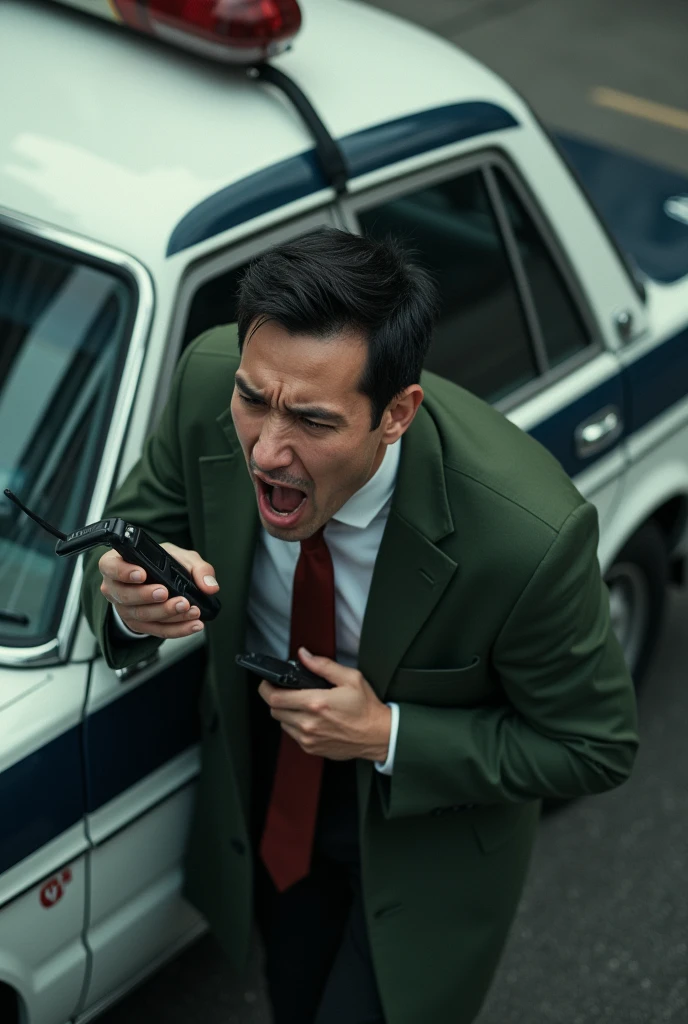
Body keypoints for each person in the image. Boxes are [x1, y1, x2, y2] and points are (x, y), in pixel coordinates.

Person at [81, 229, 638, 1024]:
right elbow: (123, 536)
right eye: (254, 400)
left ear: (398, 414)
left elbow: (597, 745)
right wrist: (125, 600)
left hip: (426, 839)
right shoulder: (212, 375)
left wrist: (387, 735)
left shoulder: (531, 540)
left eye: (311, 420)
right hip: (275, 787)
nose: (267, 451)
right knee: (294, 995)